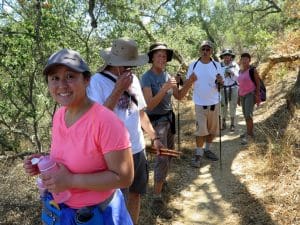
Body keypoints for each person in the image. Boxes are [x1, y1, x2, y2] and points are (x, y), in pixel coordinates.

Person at [23, 48, 134, 225]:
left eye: (70, 76)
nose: (62, 85)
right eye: (54, 78)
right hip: (65, 212)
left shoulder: (105, 121)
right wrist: (45, 163)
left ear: (87, 80)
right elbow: (70, 157)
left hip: (100, 215)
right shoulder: (60, 115)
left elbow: (124, 177)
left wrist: (71, 181)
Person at [87, 38, 163, 225]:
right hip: (114, 154)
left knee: (136, 194)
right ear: (115, 63)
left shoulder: (134, 78)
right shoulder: (97, 82)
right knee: (114, 202)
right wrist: (118, 89)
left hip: (137, 149)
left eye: (132, 65)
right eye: (128, 65)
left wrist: (154, 137)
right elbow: (97, 118)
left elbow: (140, 113)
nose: (131, 68)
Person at [141, 42, 197, 219]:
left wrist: (189, 82)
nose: (162, 58)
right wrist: (165, 88)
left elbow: (179, 97)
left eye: (164, 56)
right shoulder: (146, 78)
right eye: (159, 55)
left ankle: (161, 181)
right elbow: (149, 104)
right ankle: (156, 199)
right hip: (156, 122)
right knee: (162, 157)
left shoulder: (168, 75)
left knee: (169, 155)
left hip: (169, 119)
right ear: (152, 58)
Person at [186, 40, 224, 168]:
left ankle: (207, 149)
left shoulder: (217, 65)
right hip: (199, 103)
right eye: (203, 49)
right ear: (200, 50)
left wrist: (220, 81)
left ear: (211, 51)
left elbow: (221, 83)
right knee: (201, 131)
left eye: (208, 49)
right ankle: (198, 154)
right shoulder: (194, 65)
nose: (205, 51)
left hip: (214, 102)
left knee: (213, 130)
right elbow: (188, 82)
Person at [237, 52, 260, 145]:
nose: (244, 60)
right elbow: (240, 85)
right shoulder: (240, 71)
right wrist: (238, 97)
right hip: (242, 95)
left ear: (249, 60)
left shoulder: (252, 70)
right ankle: (248, 132)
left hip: (250, 94)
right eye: (243, 59)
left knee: (248, 115)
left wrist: (257, 95)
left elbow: (258, 83)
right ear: (241, 60)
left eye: (246, 59)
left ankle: (250, 136)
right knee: (245, 115)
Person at [219, 49, 240, 132]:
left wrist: (231, 72)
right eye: (225, 55)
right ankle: (223, 123)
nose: (227, 57)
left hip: (233, 88)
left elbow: (238, 77)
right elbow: (216, 76)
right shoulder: (219, 65)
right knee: (223, 106)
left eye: (228, 55)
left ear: (231, 57)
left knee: (233, 105)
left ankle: (232, 124)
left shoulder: (235, 65)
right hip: (222, 88)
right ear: (223, 57)